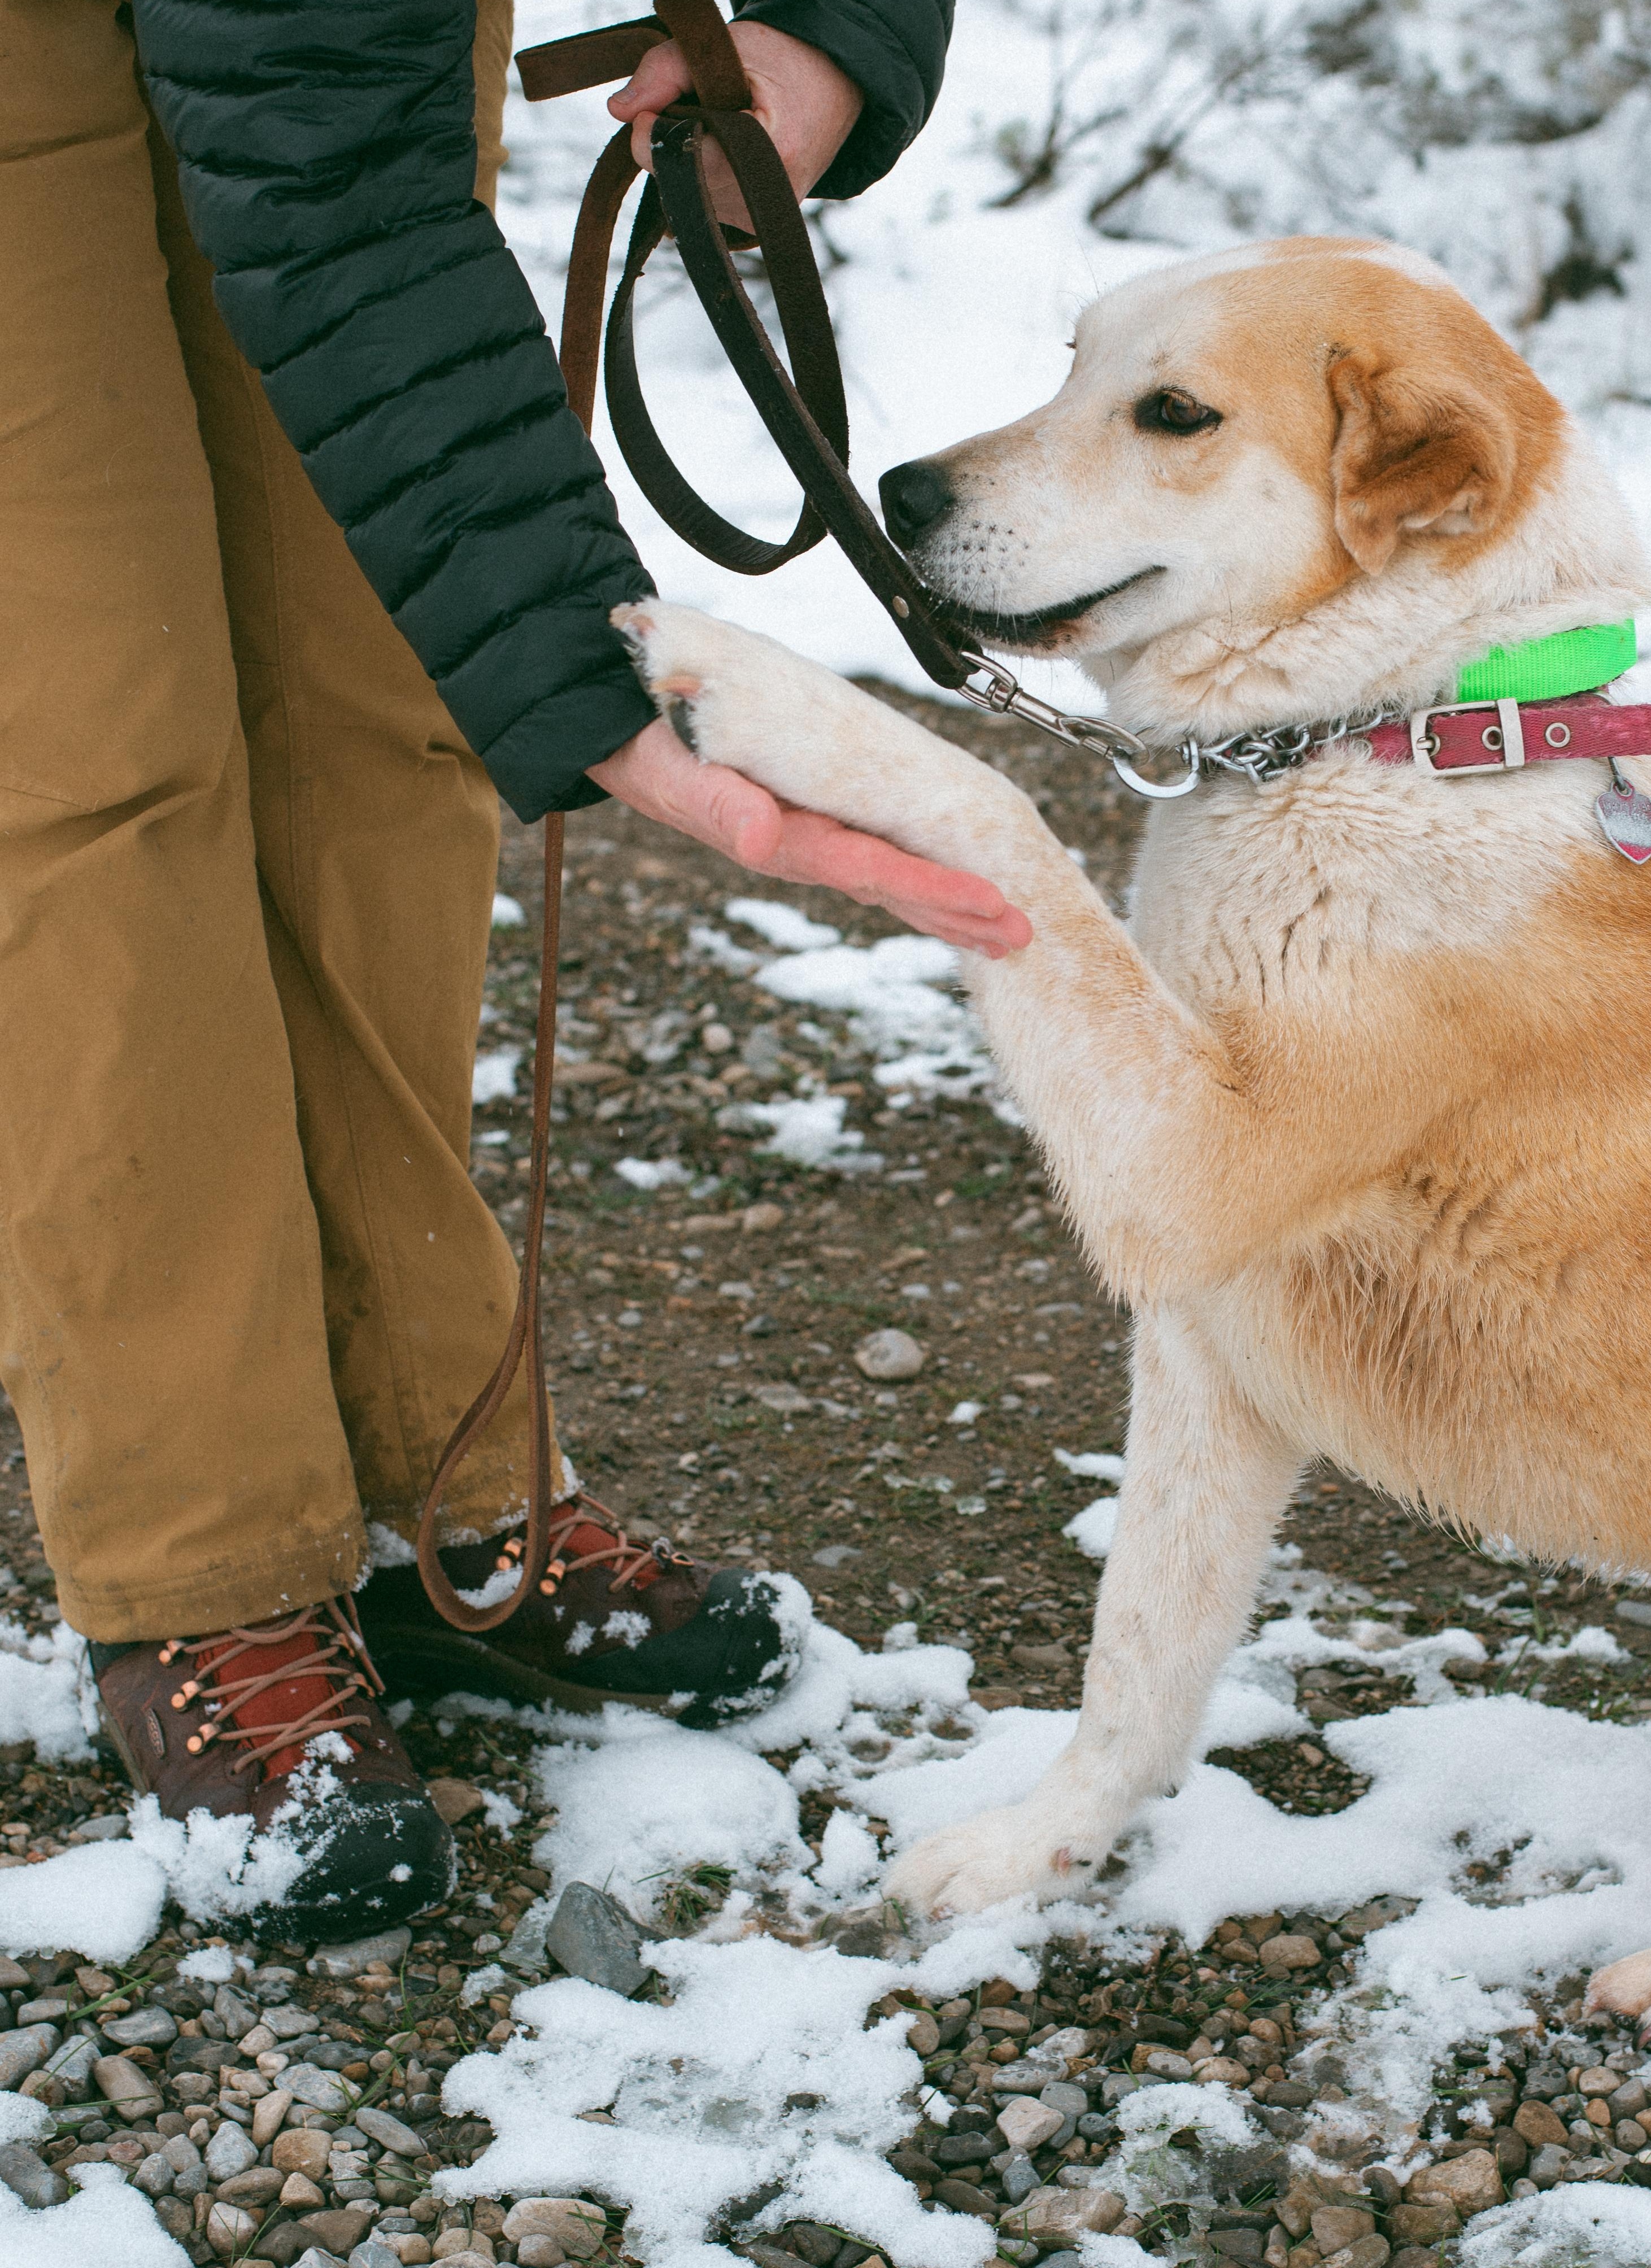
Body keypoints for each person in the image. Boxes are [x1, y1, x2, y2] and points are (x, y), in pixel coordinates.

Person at [0, 0, 1027, 1930]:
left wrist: (831, 25)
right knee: (86, 762)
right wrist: (598, 687)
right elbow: (315, 186)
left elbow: (320, 133)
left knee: (371, 701)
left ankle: (439, 1479)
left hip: (326, 52)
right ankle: (201, 1555)